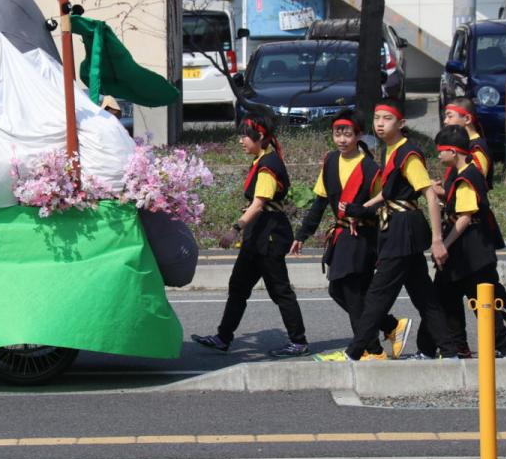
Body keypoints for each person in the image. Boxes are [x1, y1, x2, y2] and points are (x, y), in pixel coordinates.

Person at [315, 99, 458, 361]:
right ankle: (449, 352)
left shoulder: (408, 152)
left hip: (403, 229)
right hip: (397, 228)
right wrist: (359, 209)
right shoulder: (391, 150)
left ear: (401, 123)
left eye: (387, 119)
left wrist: (438, 240)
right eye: (377, 118)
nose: (380, 123)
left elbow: (427, 193)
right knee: (424, 295)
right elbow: (388, 194)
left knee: (377, 296)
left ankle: (355, 354)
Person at [291, 110, 410, 359]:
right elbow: (320, 203)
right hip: (342, 235)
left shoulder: (370, 168)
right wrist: (302, 235)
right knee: (342, 291)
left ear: (359, 135)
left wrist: (360, 214)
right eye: (337, 133)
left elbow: (381, 203)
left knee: (351, 292)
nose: (342, 139)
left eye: (347, 134)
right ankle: (389, 326)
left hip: (362, 236)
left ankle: (372, 350)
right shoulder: (331, 161)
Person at [193, 109, 310, 357]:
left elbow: (259, 204)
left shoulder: (268, 165)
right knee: (238, 287)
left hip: (268, 236)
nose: (240, 140)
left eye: (245, 136)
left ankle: (298, 341)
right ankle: (223, 337)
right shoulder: (262, 160)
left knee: (280, 291)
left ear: (260, 137)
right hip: (258, 234)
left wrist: (234, 229)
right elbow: (260, 203)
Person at [432, 125, 506, 359]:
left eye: (441, 150)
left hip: (473, 250)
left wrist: (444, 243)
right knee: (449, 294)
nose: (438, 155)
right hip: (466, 250)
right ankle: (459, 346)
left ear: (454, 151)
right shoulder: (464, 172)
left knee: (488, 300)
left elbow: (465, 217)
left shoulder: (466, 176)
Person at [442, 98, 493, 185]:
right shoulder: (461, 144)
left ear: (467, 119)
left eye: (450, 116)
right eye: (445, 117)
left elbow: (475, 184)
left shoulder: (477, 148)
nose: (445, 121)